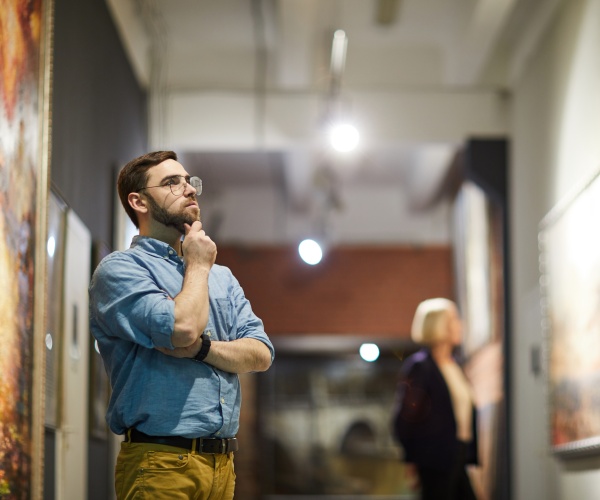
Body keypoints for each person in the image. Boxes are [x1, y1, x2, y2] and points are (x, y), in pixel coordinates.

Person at [89, 150, 274, 499]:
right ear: (138, 201)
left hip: (222, 465)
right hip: (159, 461)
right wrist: (199, 266)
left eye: (189, 181)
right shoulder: (121, 270)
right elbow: (182, 329)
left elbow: (261, 353)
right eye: (172, 183)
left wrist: (203, 349)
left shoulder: (223, 277)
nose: (188, 189)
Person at [392, 298, 478, 500]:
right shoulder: (421, 367)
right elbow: (405, 418)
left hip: (458, 452)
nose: (460, 325)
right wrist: (410, 459)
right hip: (434, 458)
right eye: (454, 319)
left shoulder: (455, 366)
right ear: (439, 325)